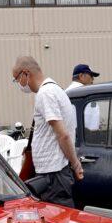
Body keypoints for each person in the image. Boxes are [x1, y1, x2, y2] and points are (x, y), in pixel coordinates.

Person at [12, 56, 82, 207]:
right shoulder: (55, 90)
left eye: (17, 79)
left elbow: (62, 134)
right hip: (54, 172)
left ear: (26, 73)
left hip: (53, 174)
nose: (19, 84)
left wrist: (76, 164)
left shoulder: (46, 94)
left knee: (57, 221)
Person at [66, 63, 101, 131]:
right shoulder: (88, 95)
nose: (93, 79)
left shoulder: (65, 93)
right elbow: (93, 126)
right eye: (91, 76)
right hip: (86, 137)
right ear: (81, 76)